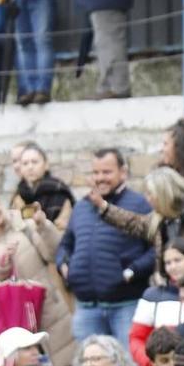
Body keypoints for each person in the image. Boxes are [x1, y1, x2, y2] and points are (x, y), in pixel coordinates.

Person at [0, 186, 74, 366]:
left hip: (49, 309)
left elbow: (53, 253)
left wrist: (44, 226)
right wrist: (1, 265)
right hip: (15, 316)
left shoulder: (24, 226)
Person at [61, 148, 154, 348]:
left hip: (126, 306)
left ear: (123, 172)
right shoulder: (82, 207)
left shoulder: (140, 205)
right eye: (96, 173)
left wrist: (131, 272)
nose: (100, 178)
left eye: (107, 172)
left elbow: (156, 248)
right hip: (86, 308)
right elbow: (66, 244)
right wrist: (64, 264)